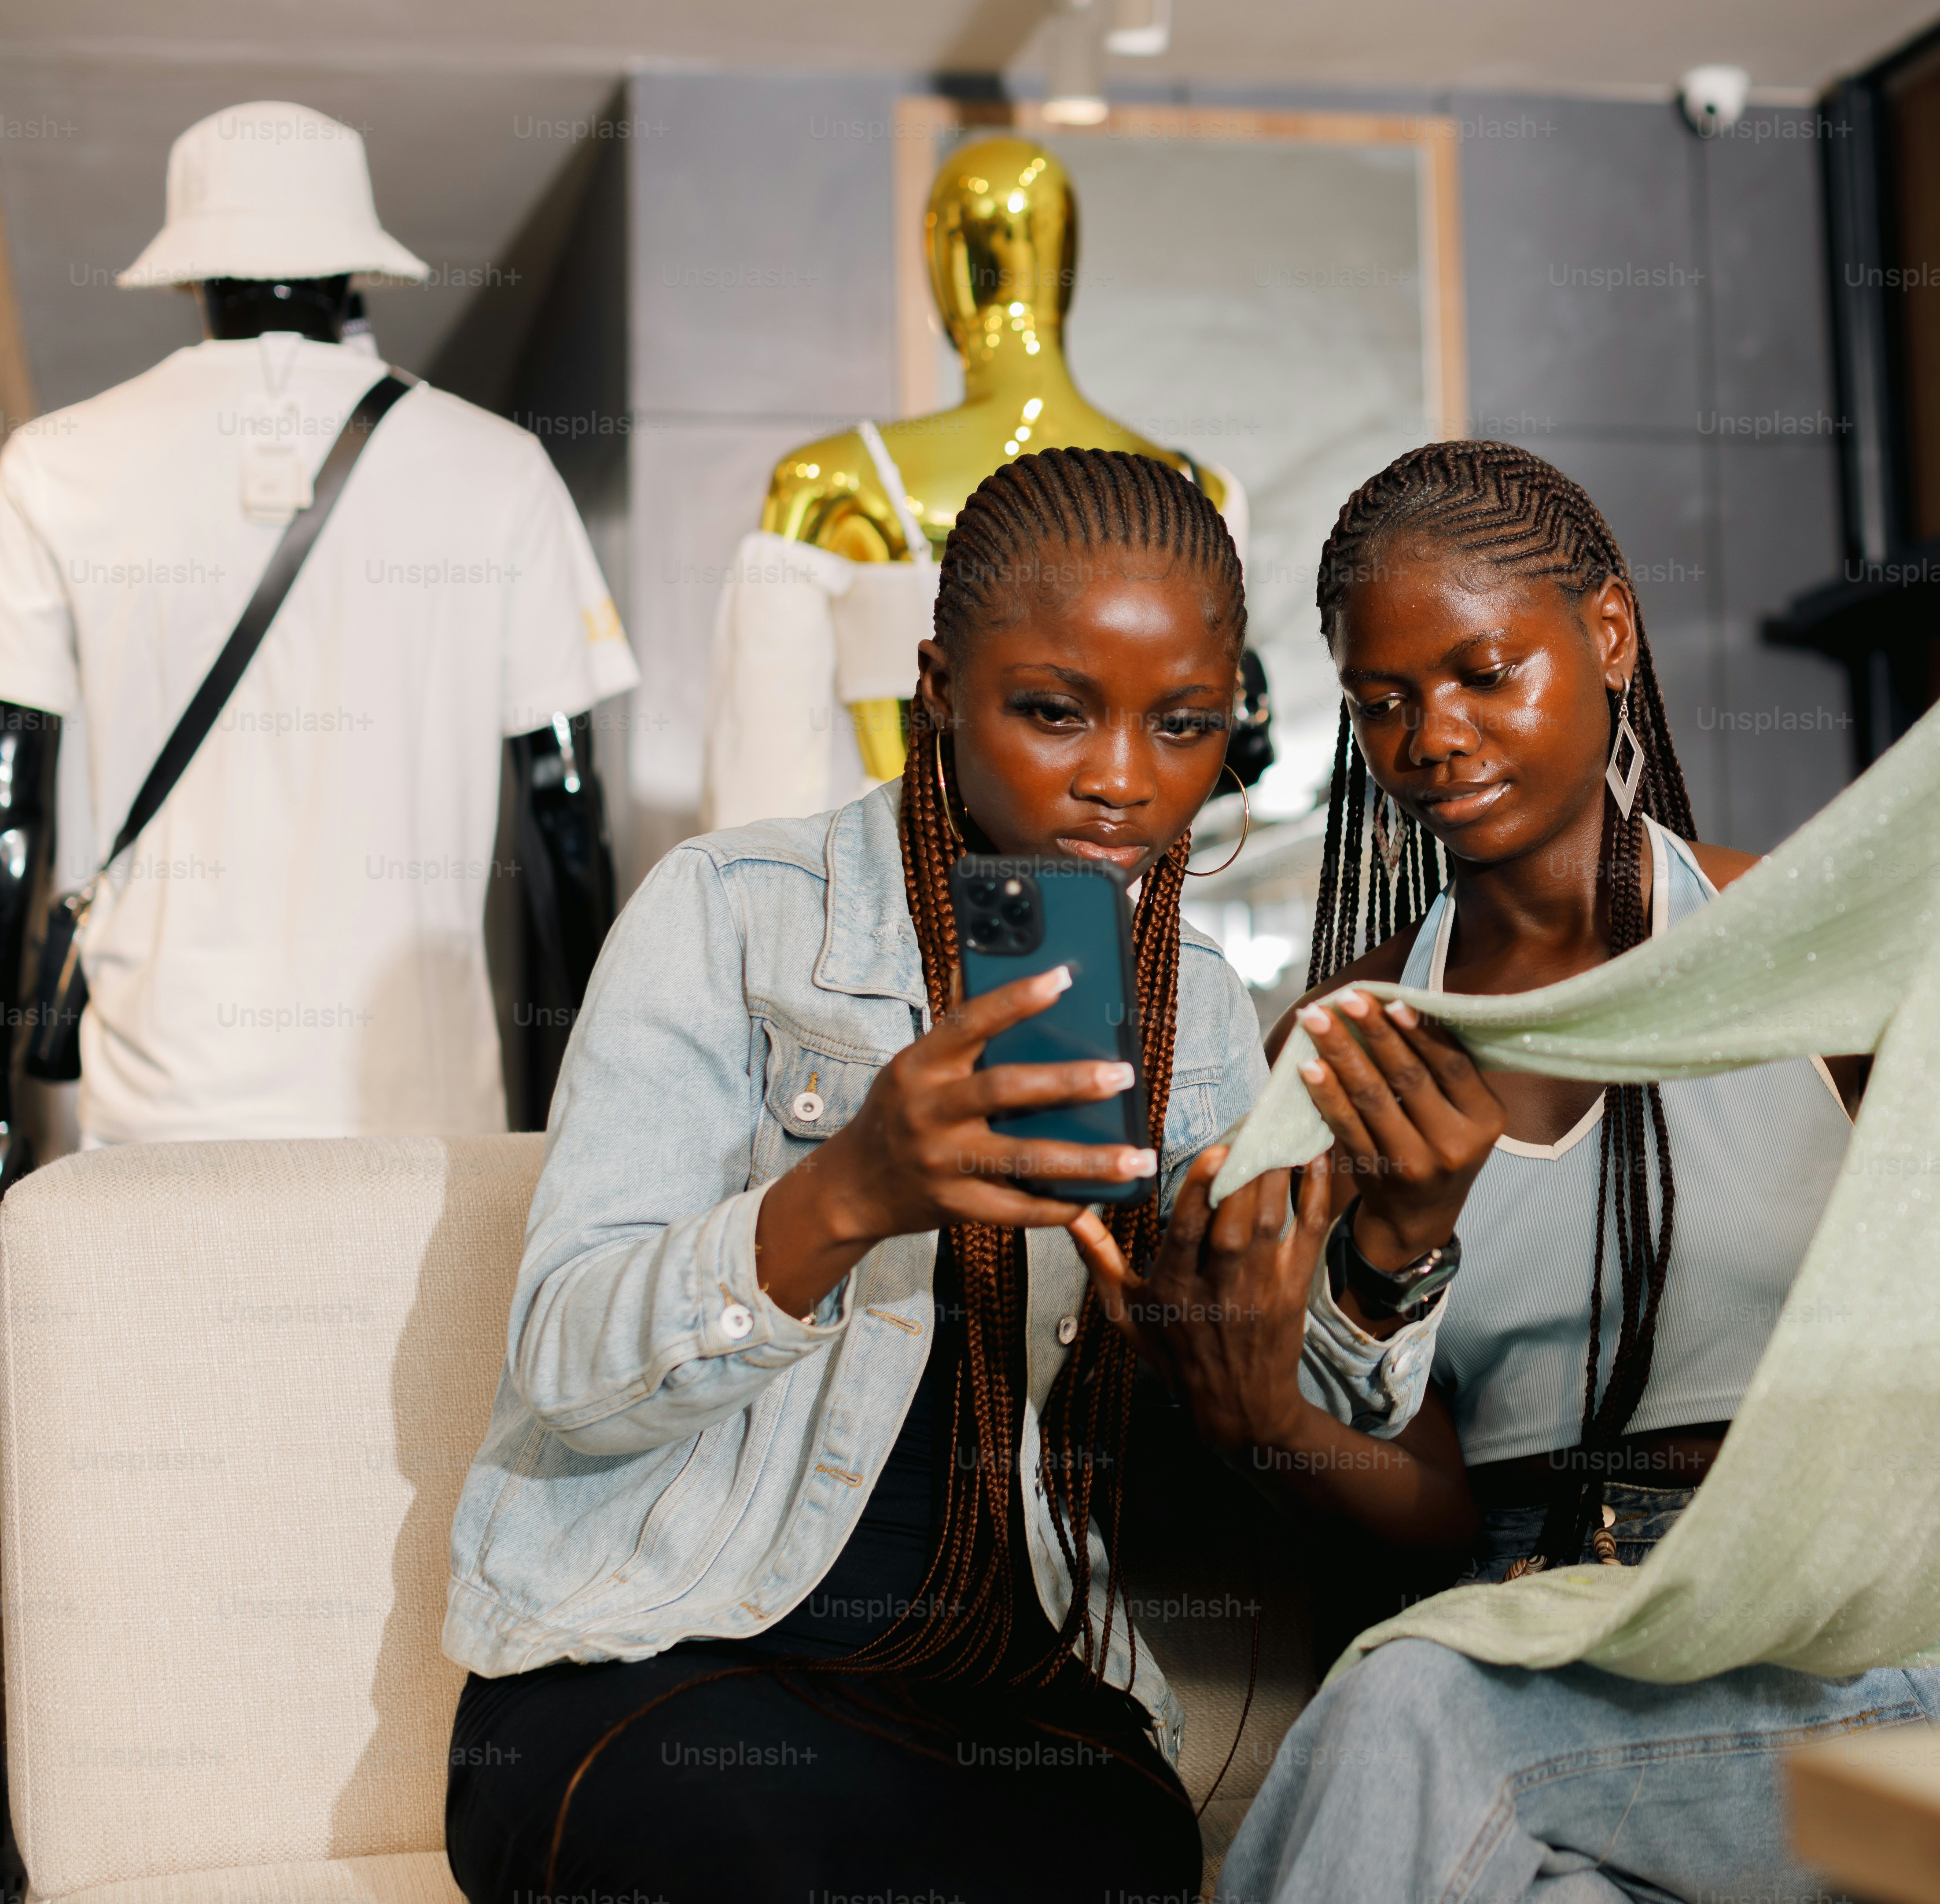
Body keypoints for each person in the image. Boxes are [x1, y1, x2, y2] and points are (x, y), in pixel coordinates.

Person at [1073, 440, 1940, 1904]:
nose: (1433, 740)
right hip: (1512, 1633)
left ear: (1609, 633)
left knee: (1410, 1712)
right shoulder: (1346, 1048)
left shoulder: (1814, 943)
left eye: (1483, 673)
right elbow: (1433, 1515)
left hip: (1814, 1659)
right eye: (1383, 701)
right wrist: (1272, 1399)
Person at [438, 446, 1419, 1902]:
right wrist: (847, 1195)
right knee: (759, 1854)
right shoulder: (732, 916)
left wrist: (1350, 1273)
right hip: (675, 1651)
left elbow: (1277, 1444)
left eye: (1183, 725)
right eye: (1054, 711)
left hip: (1007, 1687)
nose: (1121, 779)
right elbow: (568, 1361)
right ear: (938, 689)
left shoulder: (1199, 1007)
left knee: (1133, 1860)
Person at [0, 99, 636, 1148]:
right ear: (355, 274)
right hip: (423, 1122)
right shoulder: (500, 469)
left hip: (157, 1115)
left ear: (193, 275)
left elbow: (9, 799)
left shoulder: (51, 467)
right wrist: (605, 1119)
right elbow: (565, 808)